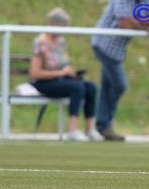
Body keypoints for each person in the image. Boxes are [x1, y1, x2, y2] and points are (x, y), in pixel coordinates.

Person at [91, 0, 149, 141]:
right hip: (104, 44)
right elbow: (124, 23)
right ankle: (106, 121)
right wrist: (143, 24)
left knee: (108, 87)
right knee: (119, 85)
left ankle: (104, 125)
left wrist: (141, 22)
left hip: (117, 48)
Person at [29, 8, 100, 142]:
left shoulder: (60, 42)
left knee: (90, 87)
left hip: (60, 79)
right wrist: (61, 72)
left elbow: (62, 63)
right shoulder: (40, 43)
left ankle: (90, 129)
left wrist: (69, 72)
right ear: (51, 24)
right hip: (43, 82)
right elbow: (36, 73)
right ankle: (72, 130)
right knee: (77, 87)